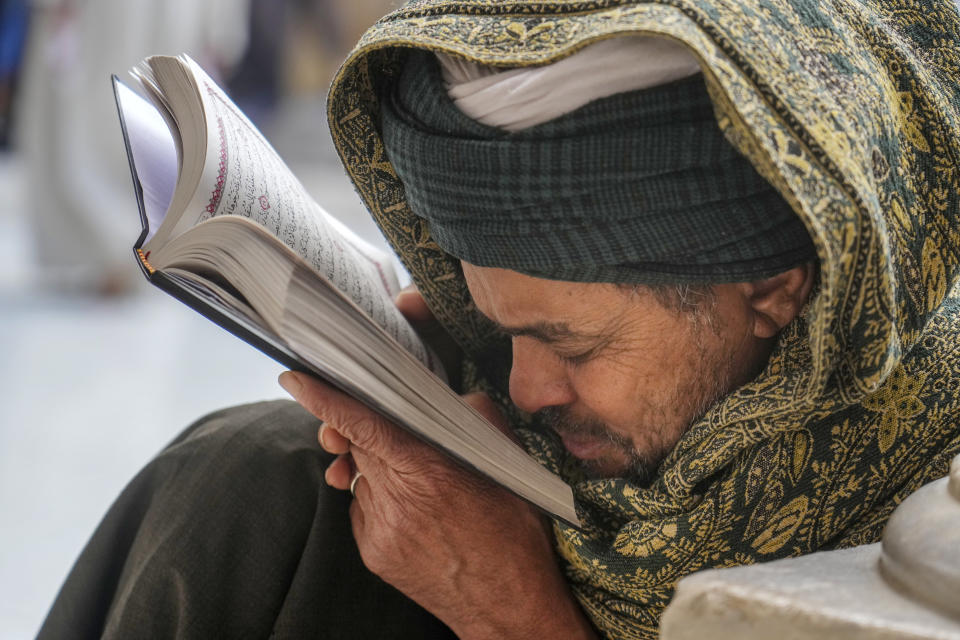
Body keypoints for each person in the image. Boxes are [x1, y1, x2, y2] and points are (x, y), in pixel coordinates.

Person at [38, 1, 960, 638]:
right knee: (250, 477)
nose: (523, 387)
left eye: (569, 342)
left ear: (779, 285)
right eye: (501, 325)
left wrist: (511, 612)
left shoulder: (931, 508)